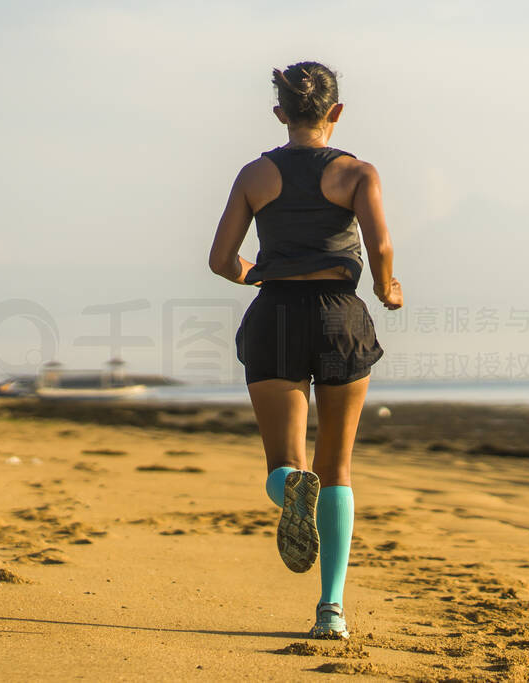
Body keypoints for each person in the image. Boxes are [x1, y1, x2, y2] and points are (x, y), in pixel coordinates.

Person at [208, 61, 403, 640]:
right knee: (336, 468)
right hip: (340, 316)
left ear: (280, 113)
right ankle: (332, 612)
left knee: (284, 467)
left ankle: (287, 490)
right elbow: (382, 244)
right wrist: (386, 286)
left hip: (275, 316)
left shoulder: (254, 175)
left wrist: (262, 276)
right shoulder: (358, 173)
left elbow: (221, 260)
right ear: (335, 112)